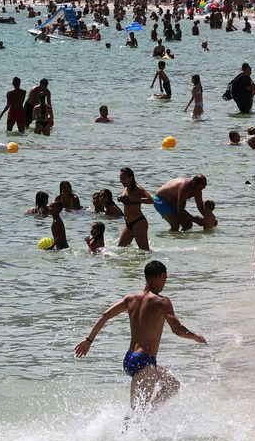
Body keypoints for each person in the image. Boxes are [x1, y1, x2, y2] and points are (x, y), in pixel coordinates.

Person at [74, 260, 207, 411]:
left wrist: (89, 340)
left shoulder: (131, 299)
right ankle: (136, 421)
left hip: (131, 358)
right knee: (136, 414)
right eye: (166, 278)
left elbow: (105, 315)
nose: (165, 282)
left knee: (172, 384)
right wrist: (194, 336)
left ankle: (149, 413)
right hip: (144, 362)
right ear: (161, 276)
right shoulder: (162, 302)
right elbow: (177, 329)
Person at [117, 167, 153, 251]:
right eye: (120, 179)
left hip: (138, 222)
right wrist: (120, 198)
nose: (122, 181)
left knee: (144, 251)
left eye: (124, 179)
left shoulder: (138, 189)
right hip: (128, 224)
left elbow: (151, 200)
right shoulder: (126, 188)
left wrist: (136, 199)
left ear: (131, 178)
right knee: (119, 249)